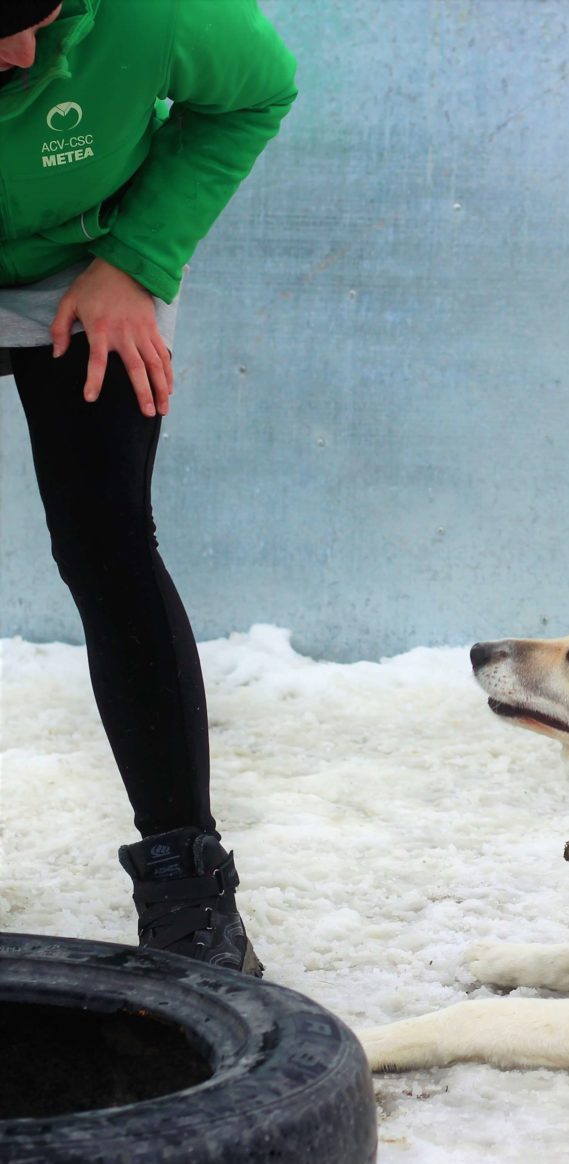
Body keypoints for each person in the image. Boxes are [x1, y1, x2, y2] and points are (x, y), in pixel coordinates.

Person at [0, 0, 296, 973]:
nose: (16, 53)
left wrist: (137, 258)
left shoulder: (158, 7)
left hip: (87, 270)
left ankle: (188, 886)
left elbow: (254, 95)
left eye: (33, 18)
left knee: (108, 541)